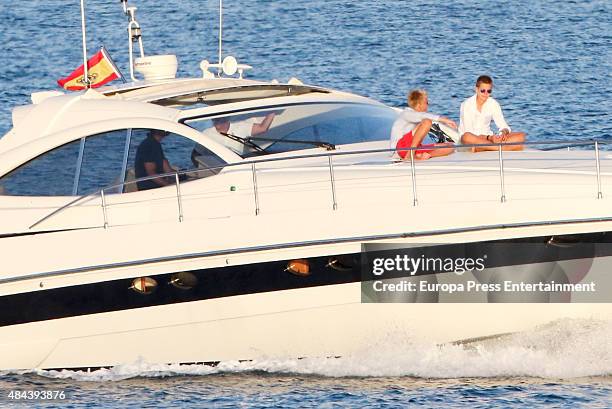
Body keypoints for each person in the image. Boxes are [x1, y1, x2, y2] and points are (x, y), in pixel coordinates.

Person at [459, 75, 526, 151]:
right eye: (483, 91)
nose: (485, 94)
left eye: (489, 91)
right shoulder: (466, 105)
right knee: (466, 136)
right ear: (476, 89)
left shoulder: (493, 104)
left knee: (521, 136)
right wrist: (489, 138)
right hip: (472, 140)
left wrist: (503, 134)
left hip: (488, 140)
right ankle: (500, 148)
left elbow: (504, 126)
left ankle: (485, 148)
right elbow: (470, 132)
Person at [390, 89, 457, 160]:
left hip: (410, 148)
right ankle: (410, 155)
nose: (428, 105)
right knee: (427, 122)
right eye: (426, 102)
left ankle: (420, 156)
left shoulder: (416, 117)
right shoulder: (407, 113)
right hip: (400, 148)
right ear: (419, 105)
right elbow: (423, 116)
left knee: (450, 147)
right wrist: (445, 120)